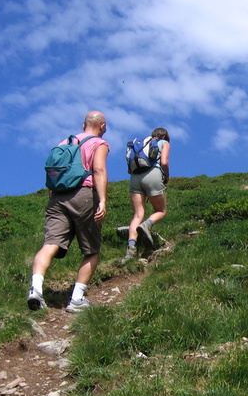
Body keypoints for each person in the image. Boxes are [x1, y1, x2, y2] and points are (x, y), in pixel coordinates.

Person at [27, 111, 110, 313]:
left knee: (50, 244)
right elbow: (98, 170)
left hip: (57, 196)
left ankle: (36, 289)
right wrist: (102, 200)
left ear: (83, 126)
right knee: (92, 250)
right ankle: (77, 300)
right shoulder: (99, 143)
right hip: (83, 194)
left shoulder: (65, 143)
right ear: (102, 126)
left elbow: (55, 173)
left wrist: (53, 198)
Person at [122, 128, 171, 262]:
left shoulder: (139, 144)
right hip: (153, 174)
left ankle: (131, 249)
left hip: (135, 178)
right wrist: (166, 177)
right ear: (165, 136)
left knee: (137, 215)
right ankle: (147, 225)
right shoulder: (163, 143)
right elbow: (164, 162)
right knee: (161, 211)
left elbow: (129, 169)